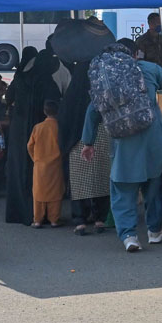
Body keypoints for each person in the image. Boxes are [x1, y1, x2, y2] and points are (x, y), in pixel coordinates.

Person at [81, 41, 162, 252]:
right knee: (153, 187)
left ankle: (129, 236)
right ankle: (154, 231)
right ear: (133, 54)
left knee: (122, 191)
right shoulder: (148, 68)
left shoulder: (105, 77)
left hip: (123, 145)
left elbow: (93, 112)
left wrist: (88, 142)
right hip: (153, 140)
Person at [60, 60, 110, 237]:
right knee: (101, 180)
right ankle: (100, 219)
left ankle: (80, 221)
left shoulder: (72, 95)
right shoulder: (100, 92)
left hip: (76, 143)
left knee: (79, 183)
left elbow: (64, 120)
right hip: (100, 139)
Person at [3, 46, 42, 224]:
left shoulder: (18, 76)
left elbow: (8, 97)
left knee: (18, 167)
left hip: (18, 126)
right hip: (36, 125)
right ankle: (37, 211)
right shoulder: (41, 75)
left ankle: (17, 211)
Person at [27, 100, 64, 228]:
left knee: (38, 192)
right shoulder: (59, 127)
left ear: (44, 111)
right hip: (56, 165)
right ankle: (54, 219)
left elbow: (30, 145)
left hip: (39, 165)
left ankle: (37, 219)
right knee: (56, 192)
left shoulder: (38, 127)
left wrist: (35, 158)